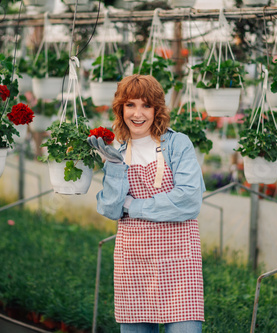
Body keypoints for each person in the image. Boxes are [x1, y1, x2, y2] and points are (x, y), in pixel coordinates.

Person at [88, 74, 206, 333]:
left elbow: (188, 200)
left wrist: (133, 206)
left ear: (157, 110)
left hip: (178, 259)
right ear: (121, 109)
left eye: (146, 105)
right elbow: (109, 208)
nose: (137, 113)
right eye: (130, 105)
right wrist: (116, 168)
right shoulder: (116, 151)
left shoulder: (177, 144)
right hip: (133, 260)